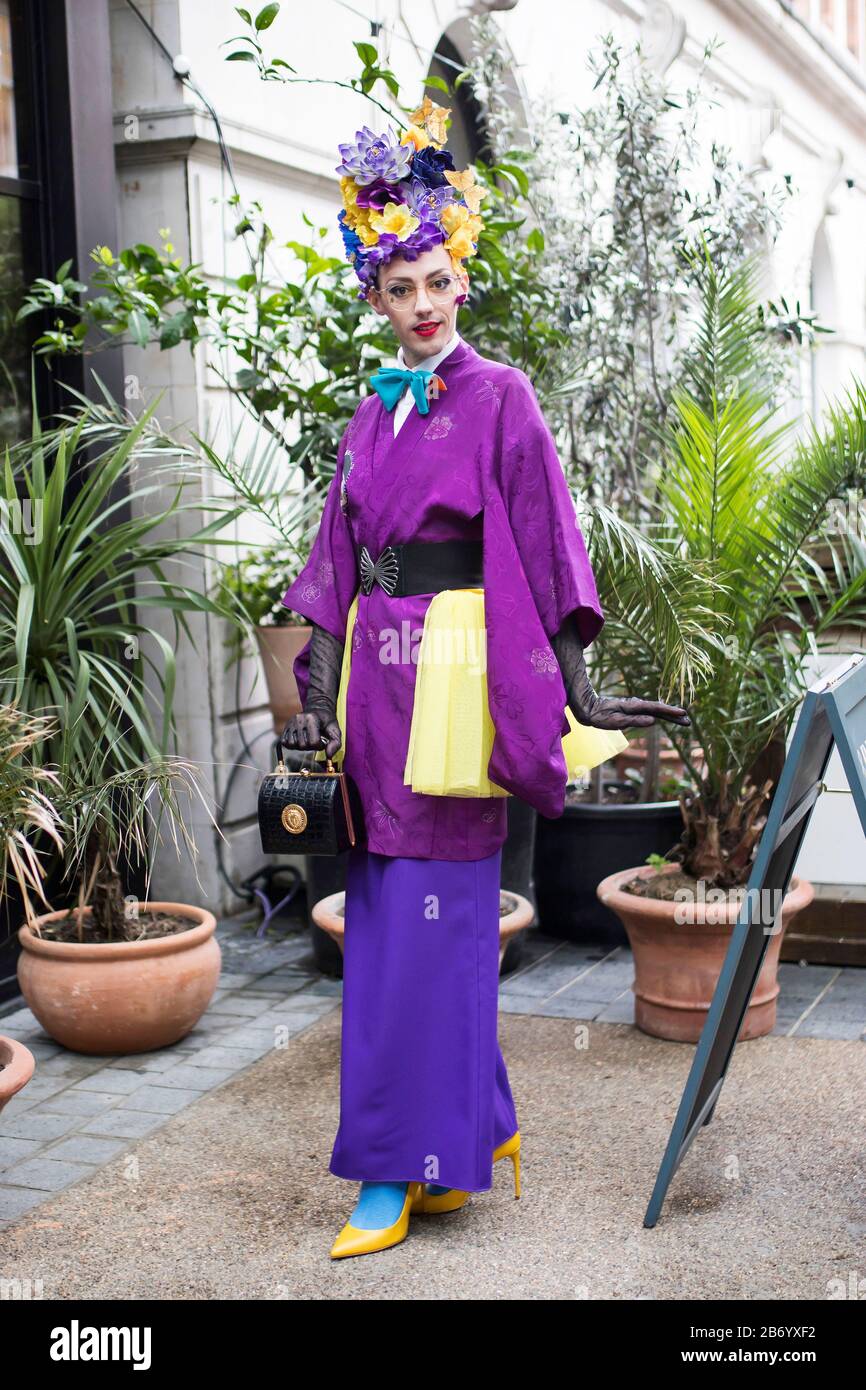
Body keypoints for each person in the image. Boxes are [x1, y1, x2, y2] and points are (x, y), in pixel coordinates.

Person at [280, 103, 690, 1260]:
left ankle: (400, 1170)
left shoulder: (501, 395)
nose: (420, 303)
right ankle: (467, 1135)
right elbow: (334, 554)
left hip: (459, 682)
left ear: (458, 278)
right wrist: (315, 675)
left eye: (433, 280)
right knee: (387, 922)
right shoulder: (369, 407)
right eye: (398, 286)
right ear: (375, 298)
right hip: (375, 683)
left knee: (436, 928)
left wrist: (576, 690)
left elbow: (548, 540)